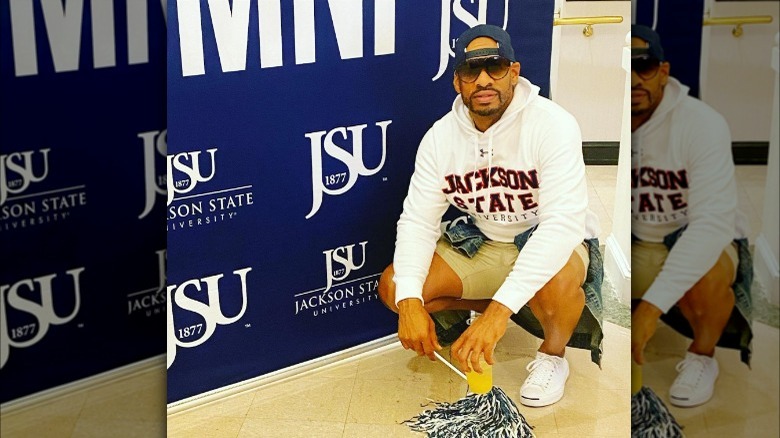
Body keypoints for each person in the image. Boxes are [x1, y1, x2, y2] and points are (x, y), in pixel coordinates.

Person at [377, 24, 603, 407]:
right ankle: (513, 310)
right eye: (470, 70)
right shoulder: (440, 138)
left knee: (558, 287)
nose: (483, 80)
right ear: (457, 82)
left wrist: (498, 313)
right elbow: (417, 221)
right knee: (395, 287)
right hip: (482, 242)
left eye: (494, 67)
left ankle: (552, 354)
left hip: (546, 239)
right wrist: (411, 302)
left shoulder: (553, 124)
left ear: (514, 72)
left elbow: (562, 225)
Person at [629, 24, 753, 408]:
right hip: (634, 239)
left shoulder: (702, 123)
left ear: (664, 71)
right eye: (624, 68)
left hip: (688, 236)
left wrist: (649, 310)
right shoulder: (603, 122)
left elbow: (712, 224)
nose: (634, 78)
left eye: (644, 66)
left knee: (708, 278)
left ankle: (702, 355)